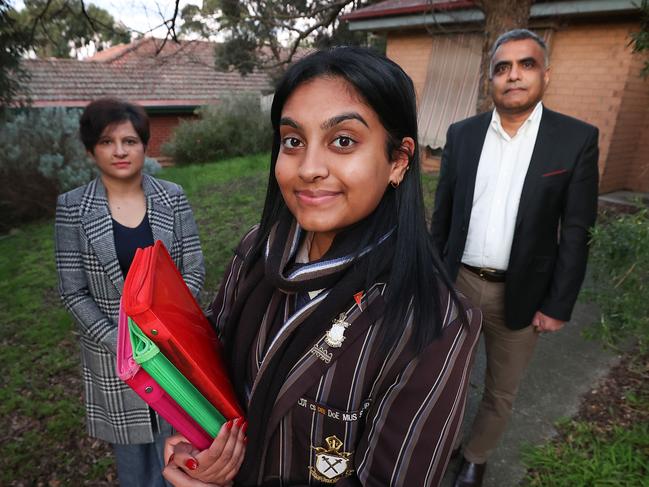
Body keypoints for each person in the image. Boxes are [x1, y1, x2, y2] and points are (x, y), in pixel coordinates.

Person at [162, 46, 482, 487]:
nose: (308, 168)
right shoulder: (256, 252)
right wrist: (194, 436)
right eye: (293, 141)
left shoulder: (433, 323)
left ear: (398, 161)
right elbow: (208, 366)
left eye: (343, 141)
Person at [430, 29, 600, 487]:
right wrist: (432, 279)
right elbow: (441, 218)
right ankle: (437, 445)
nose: (513, 76)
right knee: (446, 378)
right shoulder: (462, 135)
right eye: (502, 68)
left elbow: (578, 230)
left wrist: (558, 305)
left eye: (525, 65)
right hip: (458, 284)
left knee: (501, 390)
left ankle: (475, 457)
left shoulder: (575, 139)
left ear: (546, 73)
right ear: (491, 79)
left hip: (523, 294)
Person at [54, 98, 206, 487]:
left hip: (171, 352)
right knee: (134, 468)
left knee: (178, 453)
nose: (120, 151)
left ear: (144, 145)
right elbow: (74, 293)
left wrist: (163, 333)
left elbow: (193, 270)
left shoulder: (172, 197)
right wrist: (123, 342)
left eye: (130, 140)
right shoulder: (72, 208)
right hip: (115, 362)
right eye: (107, 142)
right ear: (91, 150)